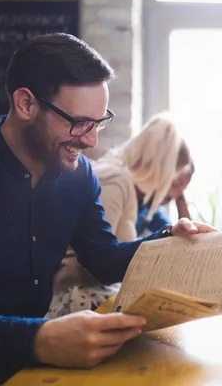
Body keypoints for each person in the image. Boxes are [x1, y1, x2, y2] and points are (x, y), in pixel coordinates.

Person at [0, 33, 216, 384]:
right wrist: (40, 338)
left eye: (99, 122)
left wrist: (168, 241)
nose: (91, 140)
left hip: (36, 369)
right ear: (25, 104)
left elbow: (103, 258)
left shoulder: (79, 176)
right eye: (79, 123)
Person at [48, 115, 195, 317]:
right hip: (79, 299)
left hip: (96, 291)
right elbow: (99, 262)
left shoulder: (129, 186)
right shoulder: (115, 182)